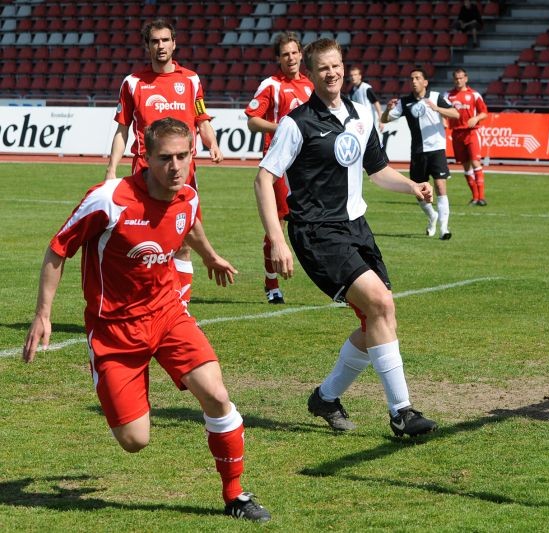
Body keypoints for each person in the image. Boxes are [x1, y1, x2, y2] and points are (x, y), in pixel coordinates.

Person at [23, 118, 270, 522]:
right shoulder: (109, 199)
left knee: (217, 395)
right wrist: (42, 315)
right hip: (114, 331)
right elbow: (57, 250)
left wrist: (209, 256)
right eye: (165, 158)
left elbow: (188, 223)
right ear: (145, 158)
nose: (176, 166)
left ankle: (236, 494)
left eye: (183, 156)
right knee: (135, 440)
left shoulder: (187, 195)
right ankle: (111, 378)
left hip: (167, 314)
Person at [253, 38, 438, 438]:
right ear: (312, 74)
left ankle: (325, 397)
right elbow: (264, 179)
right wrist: (277, 238)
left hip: (357, 228)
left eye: (336, 66)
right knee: (380, 304)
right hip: (317, 233)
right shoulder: (296, 122)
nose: (332, 73)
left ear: (343, 67)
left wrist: (412, 187)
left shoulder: (359, 114)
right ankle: (401, 413)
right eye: (323, 69)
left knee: (378, 318)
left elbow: (377, 170)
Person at [105, 18, 223, 305]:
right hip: (144, 173)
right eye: (155, 41)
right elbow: (122, 129)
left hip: (183, 173)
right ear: (147, 46)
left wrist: (213, 144)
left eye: (165, 40)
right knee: (141, 241)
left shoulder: (191, 80)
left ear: (174, 43)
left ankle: (179, 308)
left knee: (183, 241)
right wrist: (111, 171)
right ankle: (139, 301)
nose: (161, 46)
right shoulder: (132, 83)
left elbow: (202, 119)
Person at [245, 31, 314, 305]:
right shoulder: (271, 84)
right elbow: (252, 119)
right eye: (285, 54)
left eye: (295, 52)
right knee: (279, 224)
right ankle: (271, 283)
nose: (291, 58)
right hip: (279, 164)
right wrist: (284, 129)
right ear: (279, 58)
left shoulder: (311, 85)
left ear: (301, 54)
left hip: (307, 165)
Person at [381, 68, 460, 240]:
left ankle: (444, 229)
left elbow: (455, 113)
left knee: (440, 187)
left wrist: (437, 108)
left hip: (437, 149)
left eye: (417, 78)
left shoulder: (436, 97)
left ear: (425, 82)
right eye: (412, 79)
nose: (414, 81)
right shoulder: (405, 102)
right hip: (418, 153)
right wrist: (387, 110)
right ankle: (432, 216)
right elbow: (384, 120)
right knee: (419, 192)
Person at [447, 68, 489, 206]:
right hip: (457, 133)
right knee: (466, 167)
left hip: (471, 132)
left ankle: (481, 197)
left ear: (466, 78)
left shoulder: (474, 95)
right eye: (456, 78)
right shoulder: (448, 95)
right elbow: (441, 111)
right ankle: (475, 197)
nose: (459, 81)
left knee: (476, 162)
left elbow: (484, 112)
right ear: (454, 80)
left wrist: (476, 118)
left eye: (461, 78)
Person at [348, 66, 384, 142]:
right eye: (351, 75)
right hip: (360, 124)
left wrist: (381, 120)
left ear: (360, 76)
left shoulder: (366, 88)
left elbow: (376, 103)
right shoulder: (351, 92)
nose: (353, 77)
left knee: (376, 144)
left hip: (371, 123)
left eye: (355, 75)